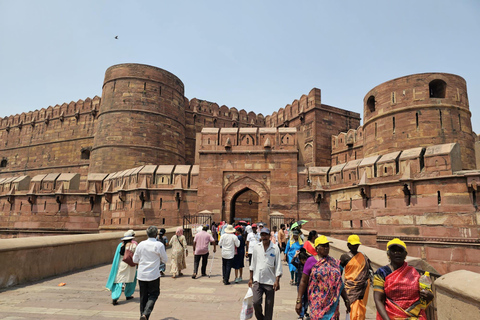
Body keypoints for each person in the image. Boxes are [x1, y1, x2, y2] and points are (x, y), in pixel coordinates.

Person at [373, 238, 434, 320]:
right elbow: (378, 300)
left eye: (400, 251)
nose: (397, 253)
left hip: (414, 316)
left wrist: (429, 295)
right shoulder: (382, 273)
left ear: (405, 254)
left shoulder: (413, 272)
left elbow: (423, 294)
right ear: (388, 254)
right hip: (391, 316)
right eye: (393, 251)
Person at [295, 235, 350, 320]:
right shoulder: (311, 261)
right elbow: (303, 281)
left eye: (327, 246)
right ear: (317, 248)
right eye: (323, 246)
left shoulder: (333, 262)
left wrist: (346, 299)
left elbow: (339, 282)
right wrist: (299, 301)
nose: (326, 248)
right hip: (317, 303)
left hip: (332, 303)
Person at [132, 226, 168, 320]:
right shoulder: (159, 245)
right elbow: (165, 259)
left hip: (142, 274)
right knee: (154, 294)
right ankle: (146, 314)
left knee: (143, 296)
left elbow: (135, 259)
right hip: (153, 275)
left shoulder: (141, 244)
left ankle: (142, 315)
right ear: (156, 234)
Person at [248, 227, 282, 320]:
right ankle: (261, 318)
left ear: (269, 236)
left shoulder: (275, 248)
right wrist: (251, 279)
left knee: (269, 305)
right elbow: (253, 263)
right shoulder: (256, 247)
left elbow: (278, 265)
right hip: (257, 279)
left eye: (266, 235)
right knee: (256, 302)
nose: (264, 237)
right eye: (262, 235)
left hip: (270, 281)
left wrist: (277, 280)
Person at [339, 234, 372, 320]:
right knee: (351, 307)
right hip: (350, 287)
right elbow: (339, 272)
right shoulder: (344, 257)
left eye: (356, 245)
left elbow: (370, 270)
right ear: (348, 245)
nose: (355, 247)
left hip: (362, 287)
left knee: (360, 308)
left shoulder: (363, 256)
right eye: (353, 245)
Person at [106, 229, 138, 306]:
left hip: (121, 264)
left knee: (118, 281)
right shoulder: (133, 245)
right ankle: (128, 294)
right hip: (130, 265)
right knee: (131, 280)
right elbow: (137, 255)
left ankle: (115, 297)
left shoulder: (120, 245)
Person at [291, 247, 310, 320]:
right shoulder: (299, 265)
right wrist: (296, 255)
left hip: (307, 284)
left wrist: (308, 254)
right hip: (300, 284)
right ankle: (301, 314)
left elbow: (312, 258)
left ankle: (305, 311)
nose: (304, 261)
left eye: (305, 260)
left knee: (306, 299)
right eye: (303, 260)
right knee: (301, 298)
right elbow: (292, 261)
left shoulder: (308, 265)